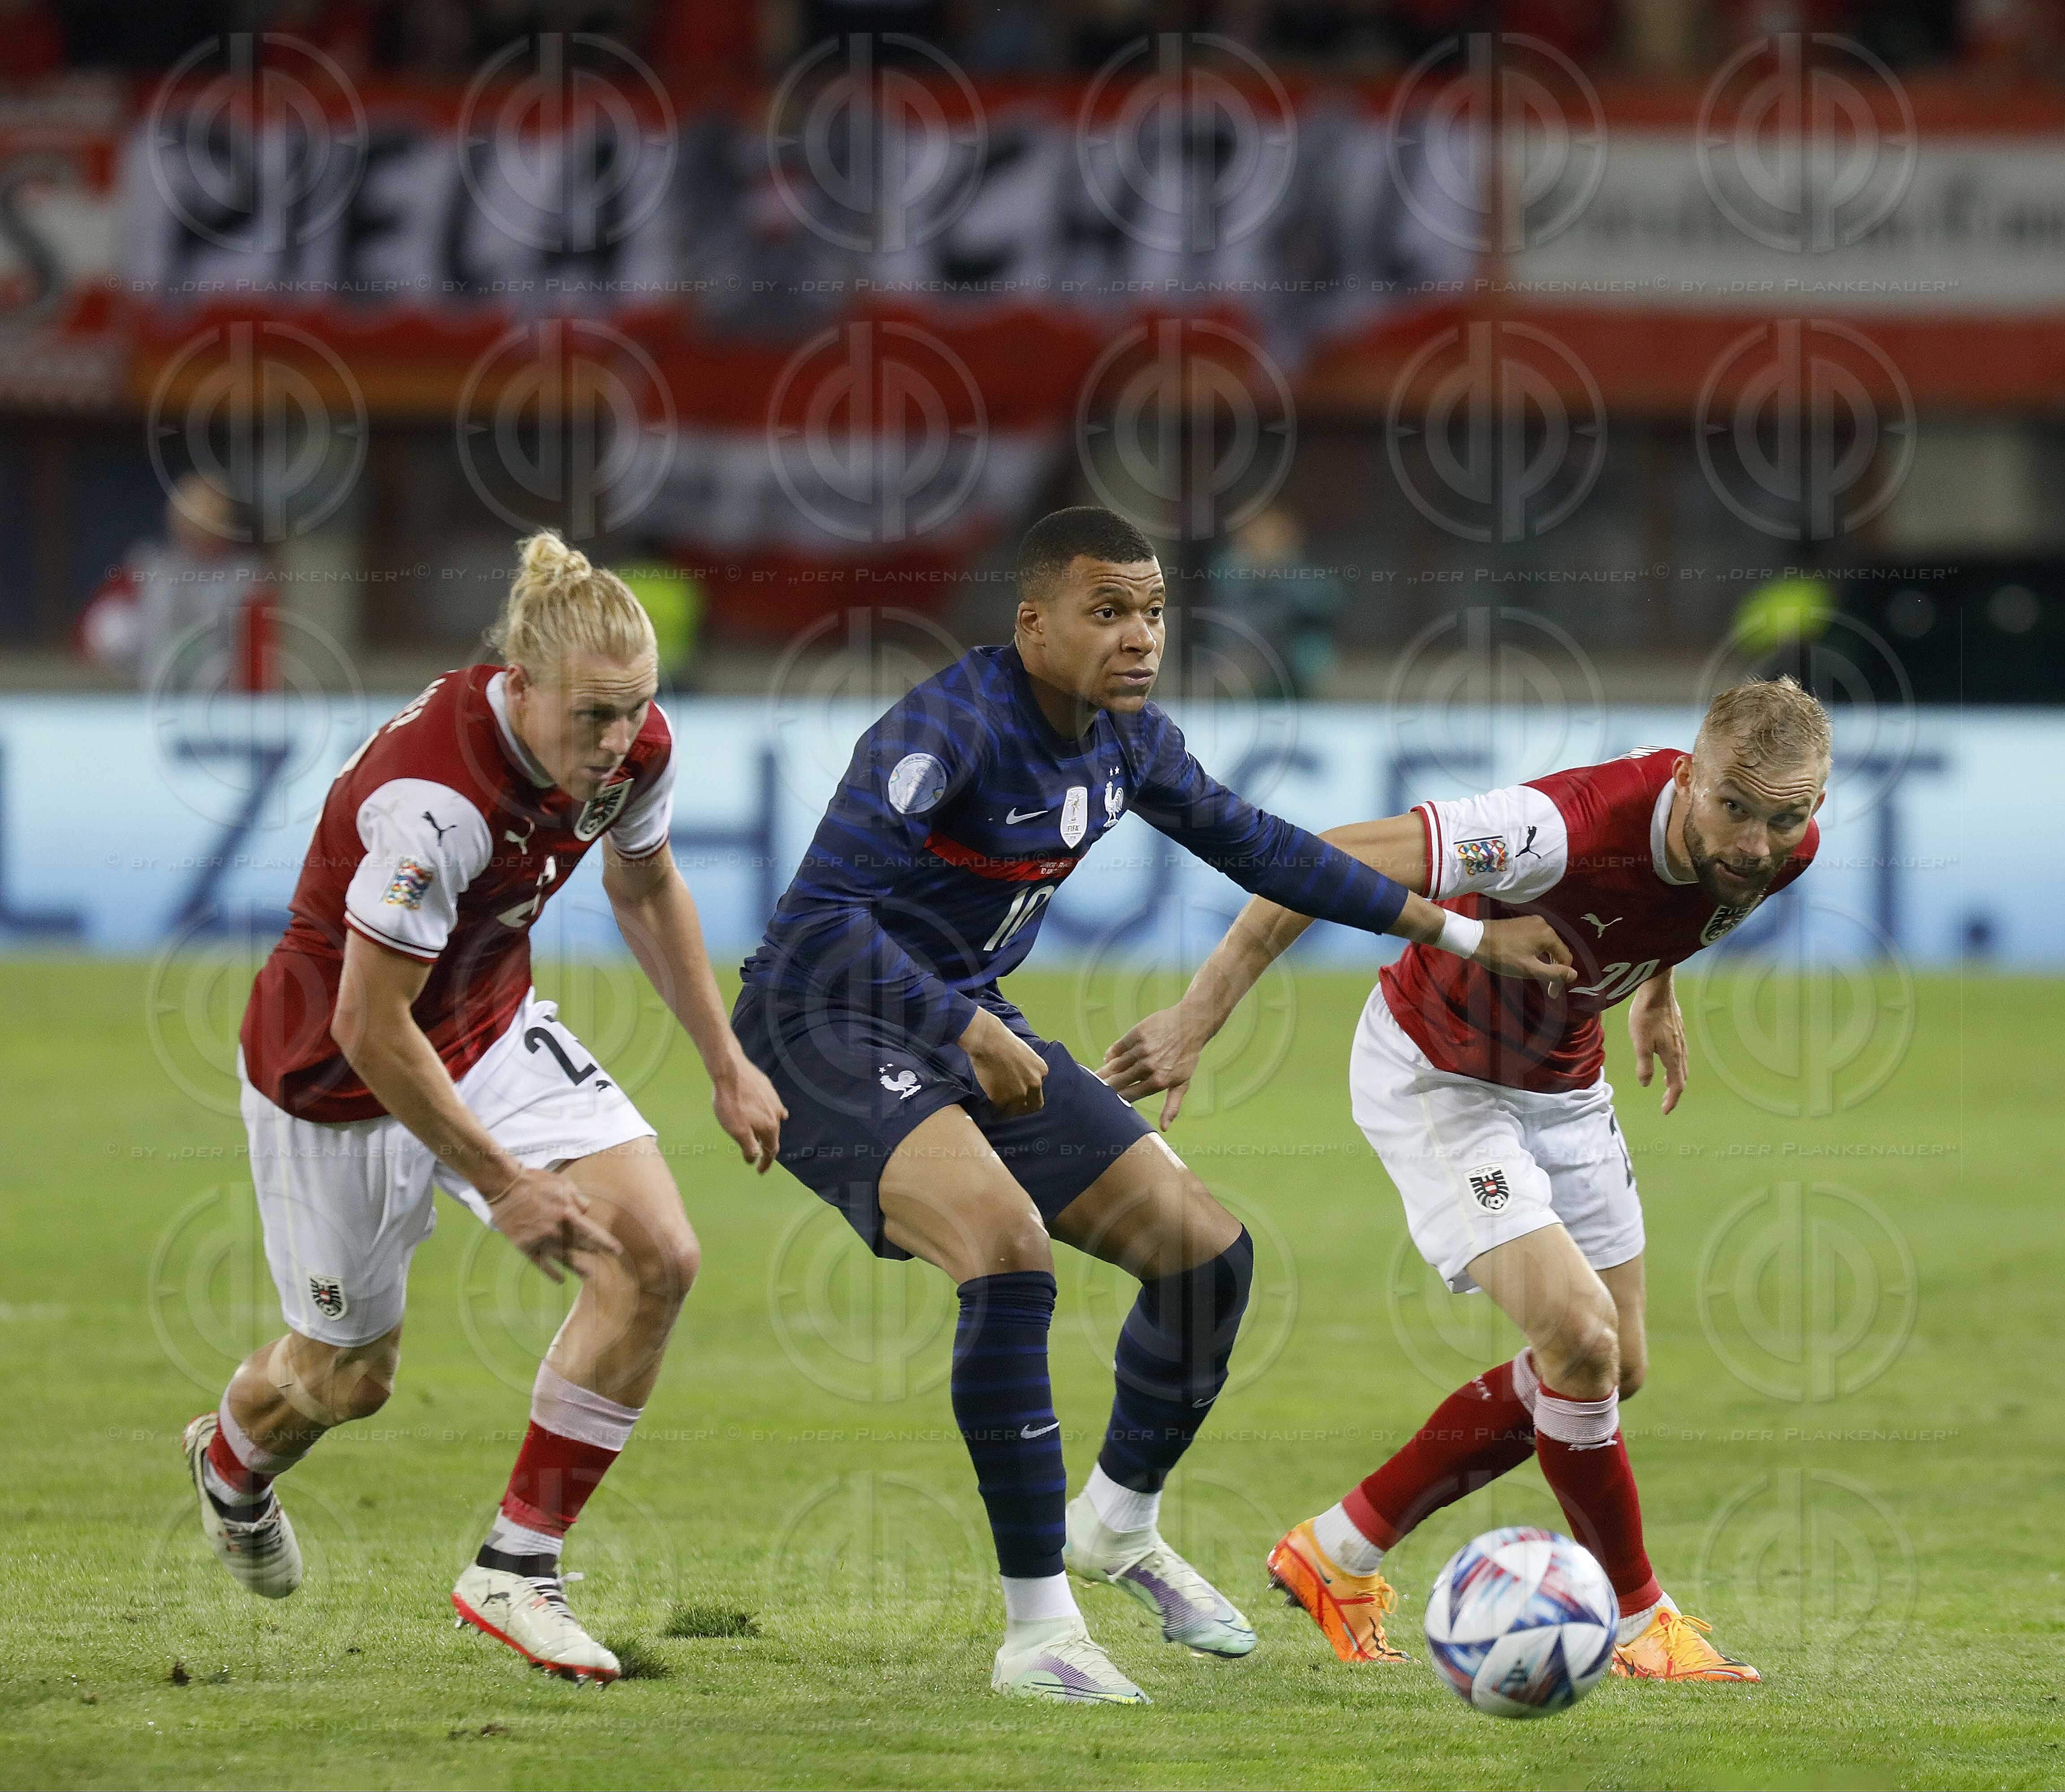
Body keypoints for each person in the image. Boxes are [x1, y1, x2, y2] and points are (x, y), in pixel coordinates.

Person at [731, 505, 1573, 1704]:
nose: (1139, 638)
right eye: (1108, 610)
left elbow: (1263, 848)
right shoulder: (947, 731)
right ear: (1033, 623)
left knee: (1206, 1256)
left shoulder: (1128, 739)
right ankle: (1037, 1636)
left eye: (1154, 611)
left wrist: (1457, 930)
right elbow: (816, 921)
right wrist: (960, 1023)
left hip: (959, 1015)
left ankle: (1117, 1528)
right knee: (1008, 1255)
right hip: (820, 1027)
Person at [1100, 677, 1830, 1683]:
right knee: (1578, 1339)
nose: (1756, 841)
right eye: (1735, 808)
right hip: (1438, 1073)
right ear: (1687, 771)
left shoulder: (1778, 849)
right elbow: (1320, 862)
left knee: (1615, 1371)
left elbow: (1694, 899)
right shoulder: (1555, 828)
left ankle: (1337, 1553)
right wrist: (1197, 1016)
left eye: (1784, 818)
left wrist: (1656, 989)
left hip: (1567, 1080)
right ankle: (1639, 1618)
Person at [182, 533, 786, 1683]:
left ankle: (519, 1564)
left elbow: (645, 880)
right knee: (348, 1377)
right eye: (593, 717)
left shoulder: (634, 746)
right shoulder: (437, 798)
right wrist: (507, 1180)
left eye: (633, 714)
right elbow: (368, 1027)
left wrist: (725, 1058)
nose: (615, 746)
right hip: (335, 1080)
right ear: (521, 683)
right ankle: (232, 1456)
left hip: (487, 1023)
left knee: (655, 1252)